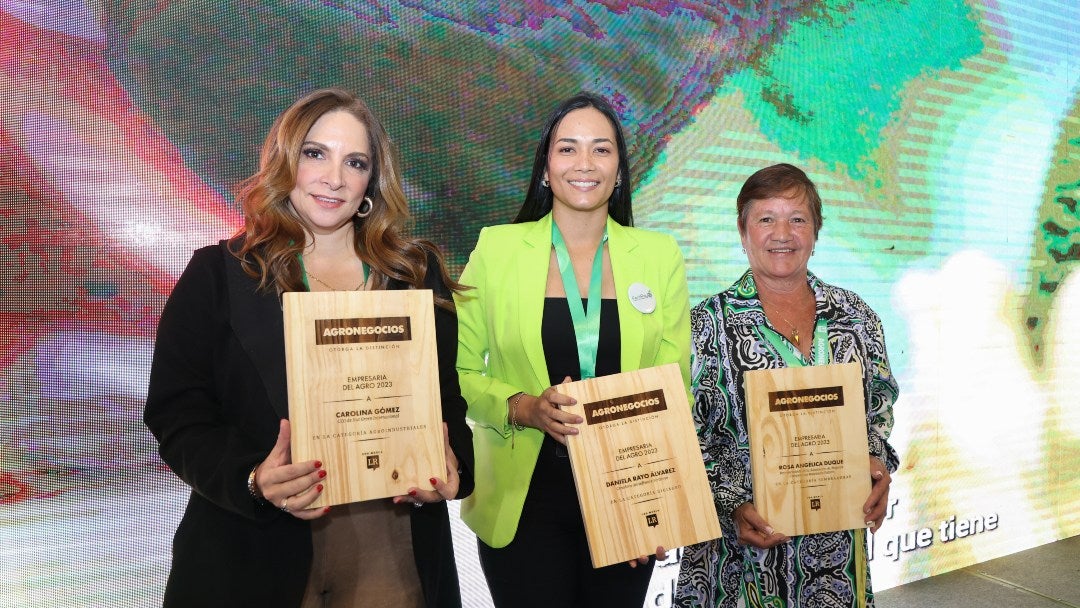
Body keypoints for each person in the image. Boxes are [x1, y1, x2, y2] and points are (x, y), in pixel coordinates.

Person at [144, 88, 474, 608]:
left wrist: (451, 467)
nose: (334, 177)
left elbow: (447, 401)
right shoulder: (219, 274)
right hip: (250, 554)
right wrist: (253, 479)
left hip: (391, 550)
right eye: (315, 153)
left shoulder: (413, 275)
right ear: (284, 162)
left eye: (355, 162)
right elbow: (178, 413)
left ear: (371, 182)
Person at [454, 92, 690, 607]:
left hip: (628, 493)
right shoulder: (496, 249)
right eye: (568, 149)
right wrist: (524, 407)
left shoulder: (659, 256)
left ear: (619, 171)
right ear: (545, 168)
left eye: (601, 149)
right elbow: (459, 372)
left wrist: (658, 504)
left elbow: (675, 389)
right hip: (523, 501)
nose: (584, 163)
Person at [674, 163, 899, 607]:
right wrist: (730, 505)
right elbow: (683, 435)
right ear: (743, 232)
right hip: (738, 561)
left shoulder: (856, 316)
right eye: (766, 219)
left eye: (797, 219)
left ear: (815, 232)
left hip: (835, 561)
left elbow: (878, 408)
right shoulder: (704, 326)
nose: (783, 234)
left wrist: (875, 462)